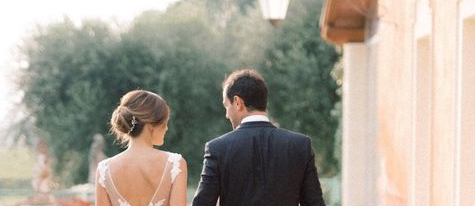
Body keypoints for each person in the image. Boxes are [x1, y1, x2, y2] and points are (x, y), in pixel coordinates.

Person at [192, 69, 325, 206]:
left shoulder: (217, 148)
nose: (227, 115)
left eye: (226, 106)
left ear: (237, 102)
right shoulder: (300, 145)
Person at [95, 90, 188, 206]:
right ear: (151, 124)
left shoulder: (104, 170)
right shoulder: (175, 164)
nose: (167, 128)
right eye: (165, 122)